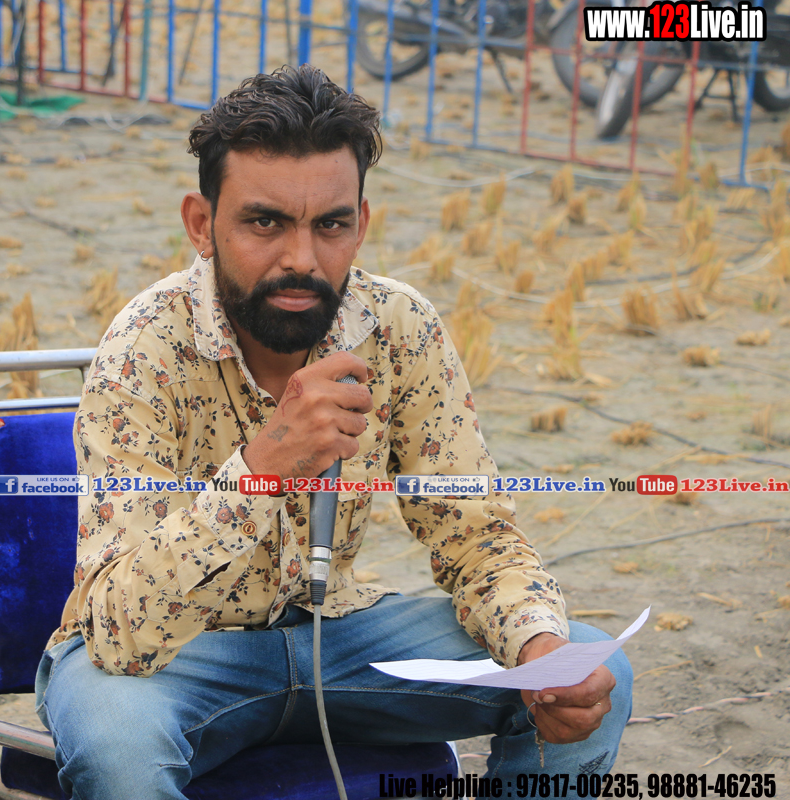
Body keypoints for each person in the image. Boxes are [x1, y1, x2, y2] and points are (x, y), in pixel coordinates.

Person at [35, 63, 632, 800]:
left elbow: (475, 535)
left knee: (593, 666)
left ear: (362, 223)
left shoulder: (400, 328)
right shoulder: (142, 350)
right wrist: (261, 469)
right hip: (180, 658)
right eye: (264, 222)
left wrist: (537, 646)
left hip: (338, 640)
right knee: (118, 746)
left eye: (331, 225)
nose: (301, 259)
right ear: (200, 223)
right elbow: (120, 633)